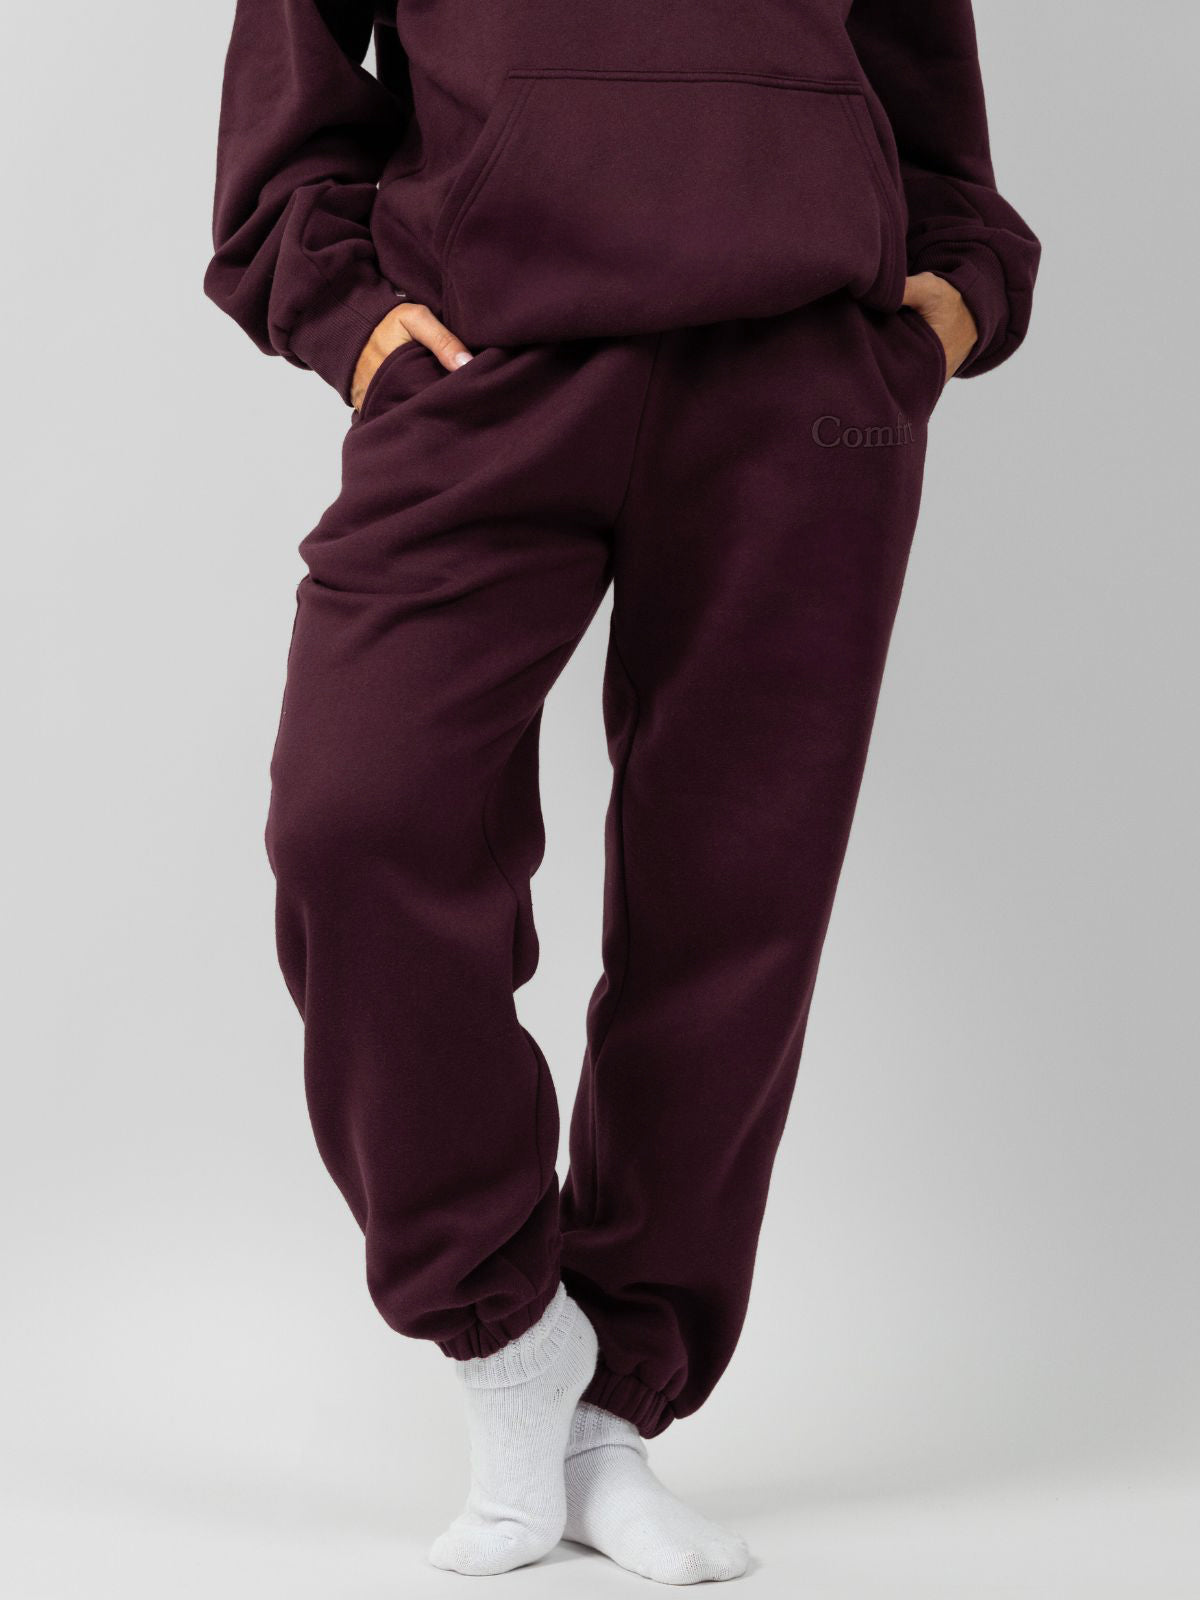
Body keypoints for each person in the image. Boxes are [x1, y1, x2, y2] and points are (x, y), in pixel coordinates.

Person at [205, 0, 1039, 1581]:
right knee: (355, 819)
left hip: (801, 382)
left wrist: (941, 305)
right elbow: (289, 89)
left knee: (734, 904)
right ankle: (511, 1342)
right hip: (487, 365)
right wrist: (354, 319)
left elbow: (925, 90)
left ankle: (612, 1419)